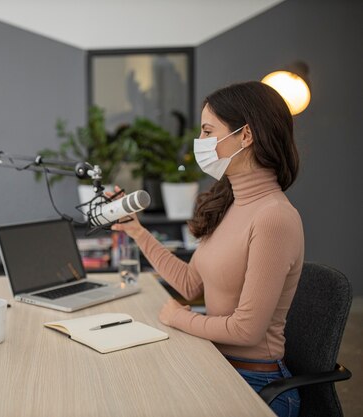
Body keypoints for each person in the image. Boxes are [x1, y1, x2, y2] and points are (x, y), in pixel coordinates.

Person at [112, 81, 303, 417]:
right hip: (218, 362)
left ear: (245, 136)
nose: (199, 143)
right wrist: (137, 232)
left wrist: (179, 317)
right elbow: (190, 284)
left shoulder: (274, 218)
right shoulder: (231, 203)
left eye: (207, 131)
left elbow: (246, 330)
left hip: (255, 383)